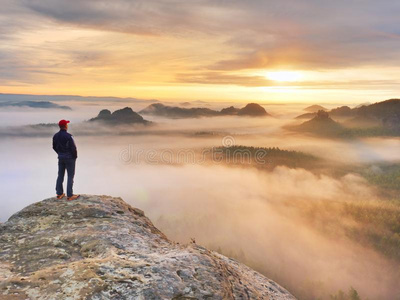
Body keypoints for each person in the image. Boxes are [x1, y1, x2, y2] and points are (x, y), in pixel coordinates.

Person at [53, 120, 80, 201]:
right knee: (70, 176)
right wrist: (74, 157)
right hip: (69, 158)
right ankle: (69, 195)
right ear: (65, 126)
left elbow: (54, 147)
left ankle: (59, 193)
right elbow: (73, 148)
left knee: (60, 175)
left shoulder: (55, 136)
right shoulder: (69, 136)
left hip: (60, 158)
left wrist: (60, 153)